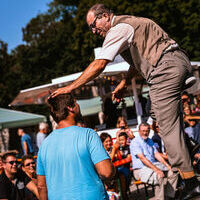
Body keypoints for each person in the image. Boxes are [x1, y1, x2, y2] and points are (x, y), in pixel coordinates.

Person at [50, 4, 200, 198]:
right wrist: (124, 83)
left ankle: (191, 182)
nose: (94, 31)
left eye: (93, 26)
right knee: (154, 111)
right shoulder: (132, 23)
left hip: (164, 70)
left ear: (104, 16)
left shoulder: (117, 29)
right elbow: (139, 62)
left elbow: (100, 64)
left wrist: (71, 87)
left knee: (166, 124)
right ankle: (189, 147)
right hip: (177, 62)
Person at [37, 93, 115, 199]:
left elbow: (41, 186)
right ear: (70, 108)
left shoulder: (44, 145)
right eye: (76, 103)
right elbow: (106, 172)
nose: (78, 106)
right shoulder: (88, 134)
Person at [130, 122, 177, 199]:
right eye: (143, 131)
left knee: (173, 172)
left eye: (147, 131)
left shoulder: (150, 141)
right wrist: (156, 170)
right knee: (159, 176)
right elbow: (142, 158)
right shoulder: (135, 142)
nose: (145, 133)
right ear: (139, 131)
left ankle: (169, 196)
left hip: (153, 165)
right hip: (140, 169)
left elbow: (157, 154)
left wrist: (167, 165)